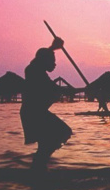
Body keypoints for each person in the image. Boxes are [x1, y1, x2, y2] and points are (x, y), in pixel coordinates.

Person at [20, 37, 73, 171]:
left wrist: (53, 48)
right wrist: (52, 47)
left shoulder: (41, 74)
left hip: (37, 113)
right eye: (53, 61)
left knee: (48, 140)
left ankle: (39, 167)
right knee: (62, 132)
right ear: (45, 61)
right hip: (33, 114)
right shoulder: (33, 71)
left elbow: (57, 89)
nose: (55, 64)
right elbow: (37, 62)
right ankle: (38, 167)